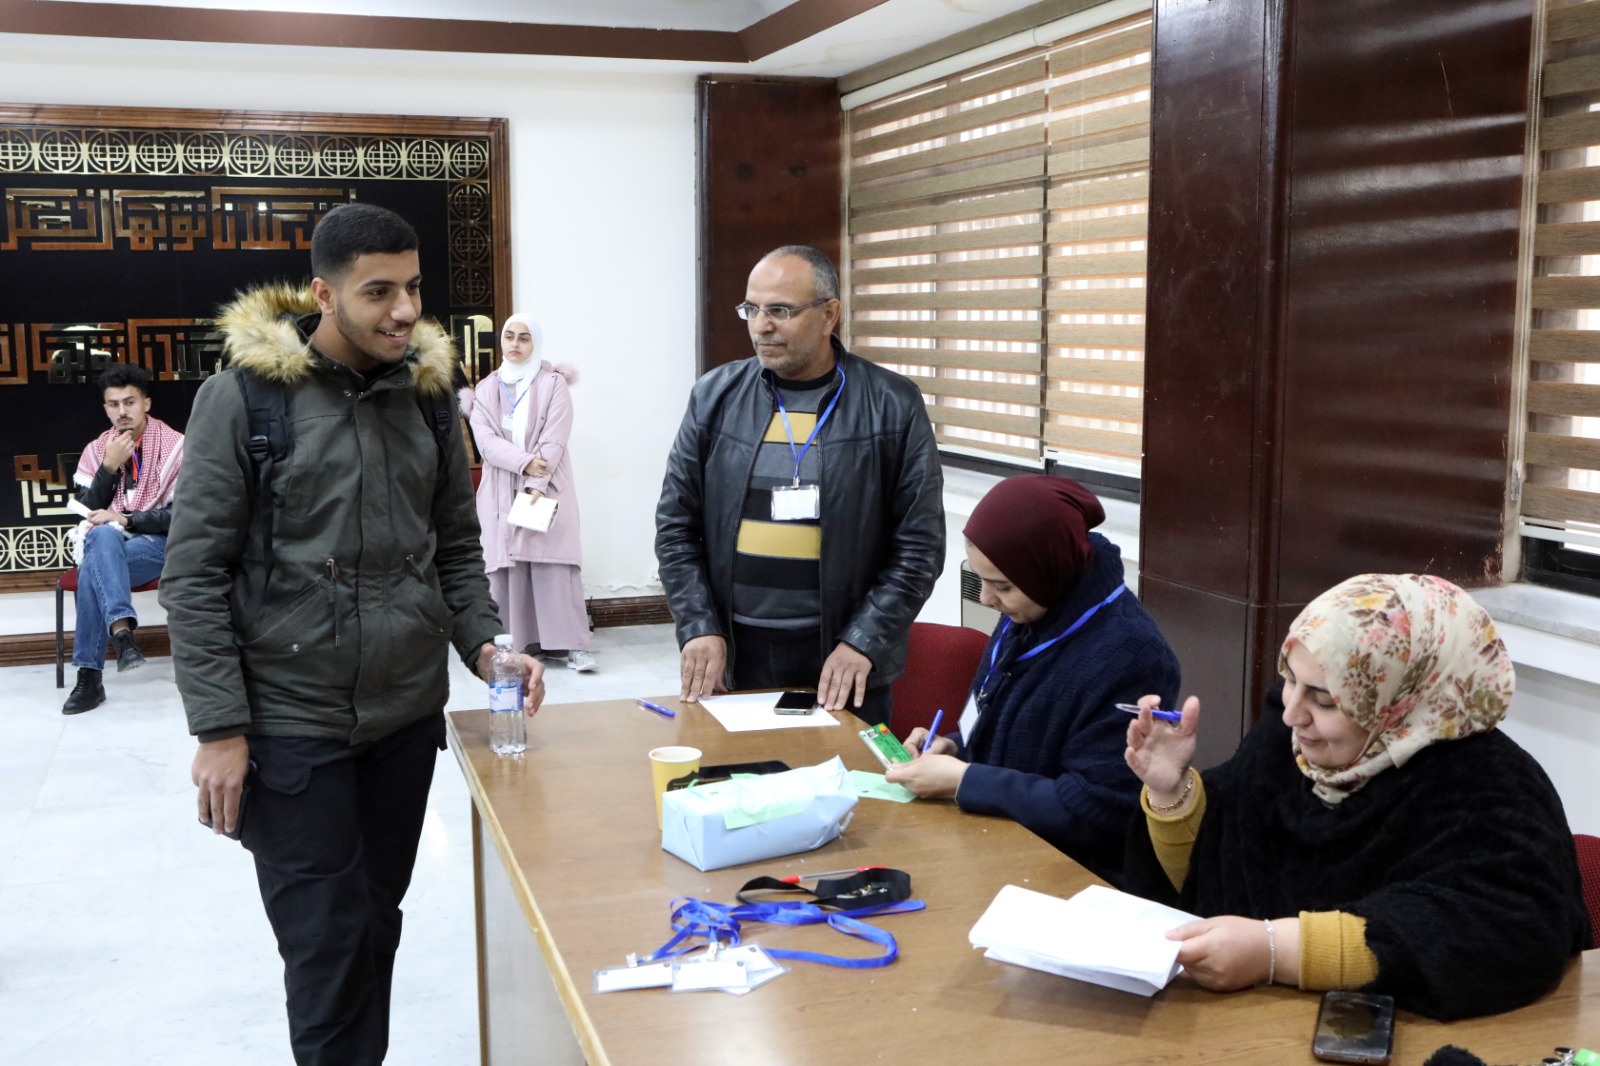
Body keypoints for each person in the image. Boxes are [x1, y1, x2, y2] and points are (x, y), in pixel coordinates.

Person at [159, 203, 544, 1065]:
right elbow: (194, 576)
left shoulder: (430, 399)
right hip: (292, 724)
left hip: (403, 720)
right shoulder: (243, 400)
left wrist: (486, 644)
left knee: (373, 923)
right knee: (326, 947)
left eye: (412, 288)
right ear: (323, 295)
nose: (404, 311)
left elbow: (454, 548)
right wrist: (219, 729)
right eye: (378, 292)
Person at [1120, 573, 1591, 1021]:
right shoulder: (1284, 749)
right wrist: (1171, 791)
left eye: (1325, 700)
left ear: (1399, 701)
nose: (1291, 714)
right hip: (1247, 1027)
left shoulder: (1490, 786)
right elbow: (1214, 877)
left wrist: (1275, 950)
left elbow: (1501, 931)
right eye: (1290, 679)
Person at [655, 244, 944, 727]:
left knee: (849, 776)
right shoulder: (714, 396)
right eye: (752, 309)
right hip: (735, 651)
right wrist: (698, 625)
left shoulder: (892, 403)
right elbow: (675, 527)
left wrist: (864, 641)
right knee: (742, 772)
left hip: (841, 657)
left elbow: (920, 546)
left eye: (780, 311)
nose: (761, 326)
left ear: (829, 315)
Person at [885, 475, 1180, 883]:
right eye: (982, 578)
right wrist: (954, 746)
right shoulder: (1033, 608)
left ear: (1050, 568)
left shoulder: (1134, 656)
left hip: (1074, 878)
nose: (986, 598)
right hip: (994, 843)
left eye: (1002, 586)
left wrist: (965, 779)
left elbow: (1098, 809)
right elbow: (1006, 724)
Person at [464, 313, 595, 672]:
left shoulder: (553, 384)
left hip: (546, 486)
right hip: (501, 490)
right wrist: (524, 463)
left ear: (535, 343)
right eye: (509, 336)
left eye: (524, 338)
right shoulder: (486, 389)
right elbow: (486, 442)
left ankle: (573, 646)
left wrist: (535, 482)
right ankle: (519, 645)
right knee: (508, 567)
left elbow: (555, 437)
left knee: (554, 563)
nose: (515, 344)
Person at [63, 363, 185, 713]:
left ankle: (90, 678)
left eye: (129, 402)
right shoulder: (98, 450)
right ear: (105, 408)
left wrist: (127, 519)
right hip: (109, 547)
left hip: (158, 546)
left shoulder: (176, 447)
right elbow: (86, 512)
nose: (122, 411)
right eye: (113, 404)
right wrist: (108, 468)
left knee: (93, 567)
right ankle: (123, 637)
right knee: (101, 540)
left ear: (146, 403)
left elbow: (183, 516)